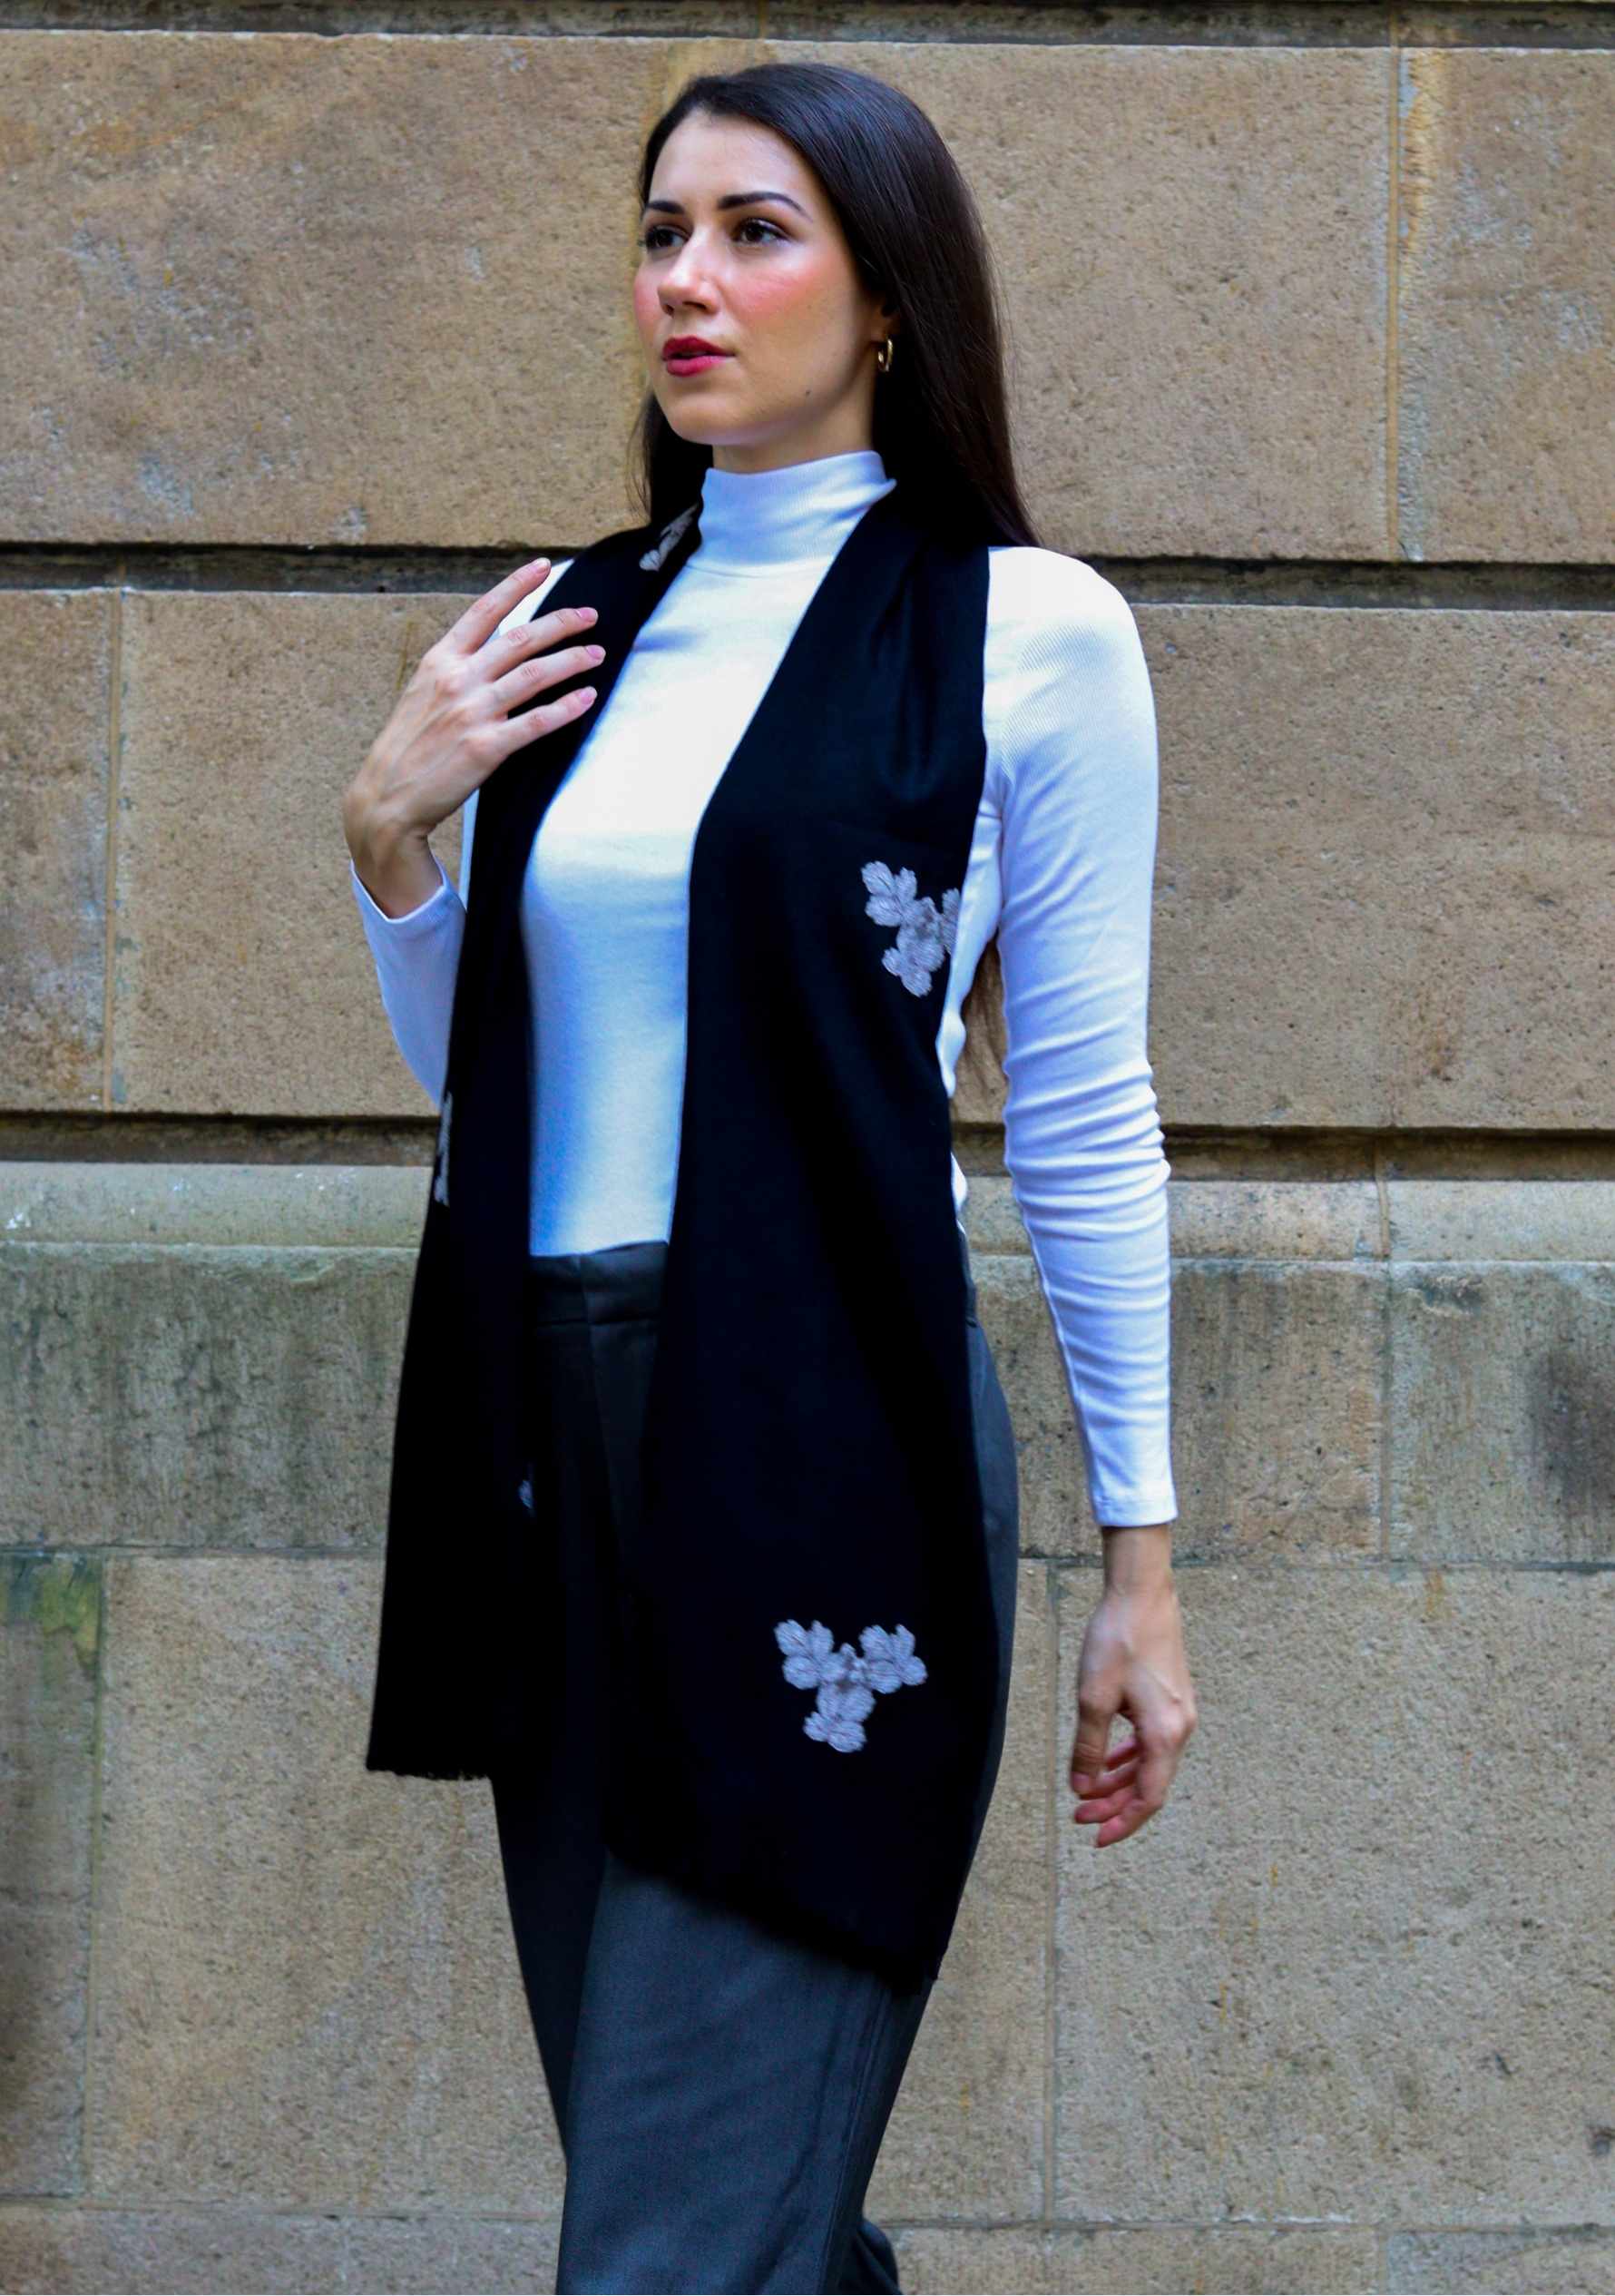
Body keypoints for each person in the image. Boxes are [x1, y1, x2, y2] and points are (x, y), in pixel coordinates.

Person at [342, 57, 1197, 2295]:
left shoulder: (1022, 632)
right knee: (733, 2230)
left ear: (887, 296)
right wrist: (392, 843)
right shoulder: (572, 627)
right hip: (549, 1438)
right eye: (657, 235)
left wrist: (1141, 1557)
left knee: (662, 2251)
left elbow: (1083, 1107)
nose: (686, 284)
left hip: (820, 1464)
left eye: (754, 231)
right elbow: (505, 1088)